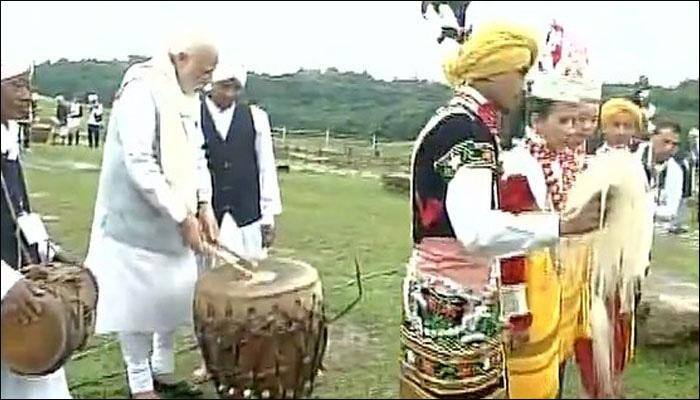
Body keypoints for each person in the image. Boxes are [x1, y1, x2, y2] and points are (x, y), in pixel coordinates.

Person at [400, 21, 604, 399]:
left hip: (431, 288)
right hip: (458, 296)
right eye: (520, 72)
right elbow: (477, 232)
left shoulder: (447, 120)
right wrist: (561, 226)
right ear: (494, 70)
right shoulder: (468, 132)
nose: (524, 85)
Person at [84, 32, 219, 399]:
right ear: (180, 57)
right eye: (204, 71)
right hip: (134, 224)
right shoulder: (140, 90)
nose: (208, 79)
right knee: (136, 307)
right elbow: (139, 162)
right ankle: (140, 383)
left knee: (170, 297)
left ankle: (162, 369)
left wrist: (204, 205)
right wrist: (182, 215)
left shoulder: (188, 97)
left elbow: (196, 155)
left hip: (172, 222)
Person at [501, 26, 605, 399]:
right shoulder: (518, 167)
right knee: (528, 379)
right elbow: (509, 245)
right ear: (537, 120)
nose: (578, 130)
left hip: (566, 288)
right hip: (531, 287)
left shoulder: (580, 163)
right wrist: (516, 315)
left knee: (556, 375)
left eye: (586, 121)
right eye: (566, 120)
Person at [1, 61, 72, 399]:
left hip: (18, 296)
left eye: (28, 86)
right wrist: (5, 284)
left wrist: (48, 251)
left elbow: (20, 211)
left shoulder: (8, 136)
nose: (27, 96)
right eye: (16, 85)